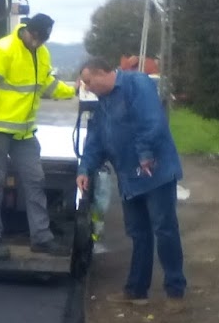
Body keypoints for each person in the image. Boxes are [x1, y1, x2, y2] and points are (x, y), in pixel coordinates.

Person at [76, 57, 187, 307]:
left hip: (153, 172)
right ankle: (137, 290)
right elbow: (96, 138)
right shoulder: (102, 103)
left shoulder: (137, 84)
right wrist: (85, 167)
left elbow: (152, 121)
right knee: (138, 233)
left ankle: (175, 291)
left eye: (89, 81)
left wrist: (145, 153)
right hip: (128, 176)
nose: (87, 87)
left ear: (103, 72)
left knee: (164, 229)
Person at [0, 13, 75, 260]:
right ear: (27, 30)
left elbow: (46, 85)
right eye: (35, 38)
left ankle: (41, 237)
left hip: (25, 132)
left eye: (42, 40)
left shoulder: (42, 53)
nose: (37, 43)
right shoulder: (1, 51)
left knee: (35, 180)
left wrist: (71, 90)